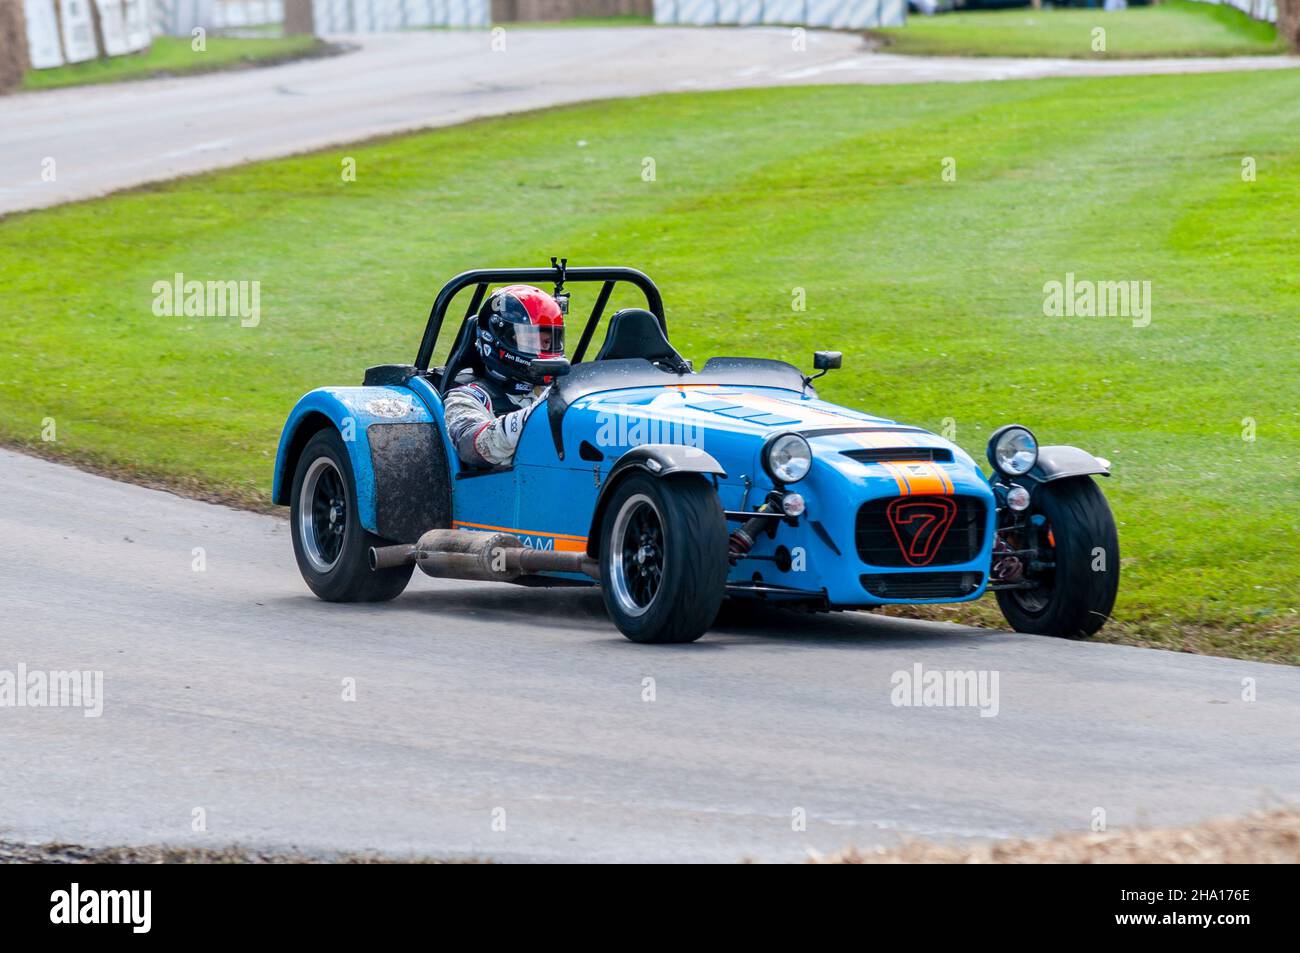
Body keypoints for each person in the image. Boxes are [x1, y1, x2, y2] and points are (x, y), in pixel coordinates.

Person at [444, 284, 565, 468]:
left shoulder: (558, 390)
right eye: (530, 341)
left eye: (547, 342)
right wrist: (535, 416)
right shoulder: (467, 397)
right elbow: (471, 447)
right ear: (496, 339)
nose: (542, 350)